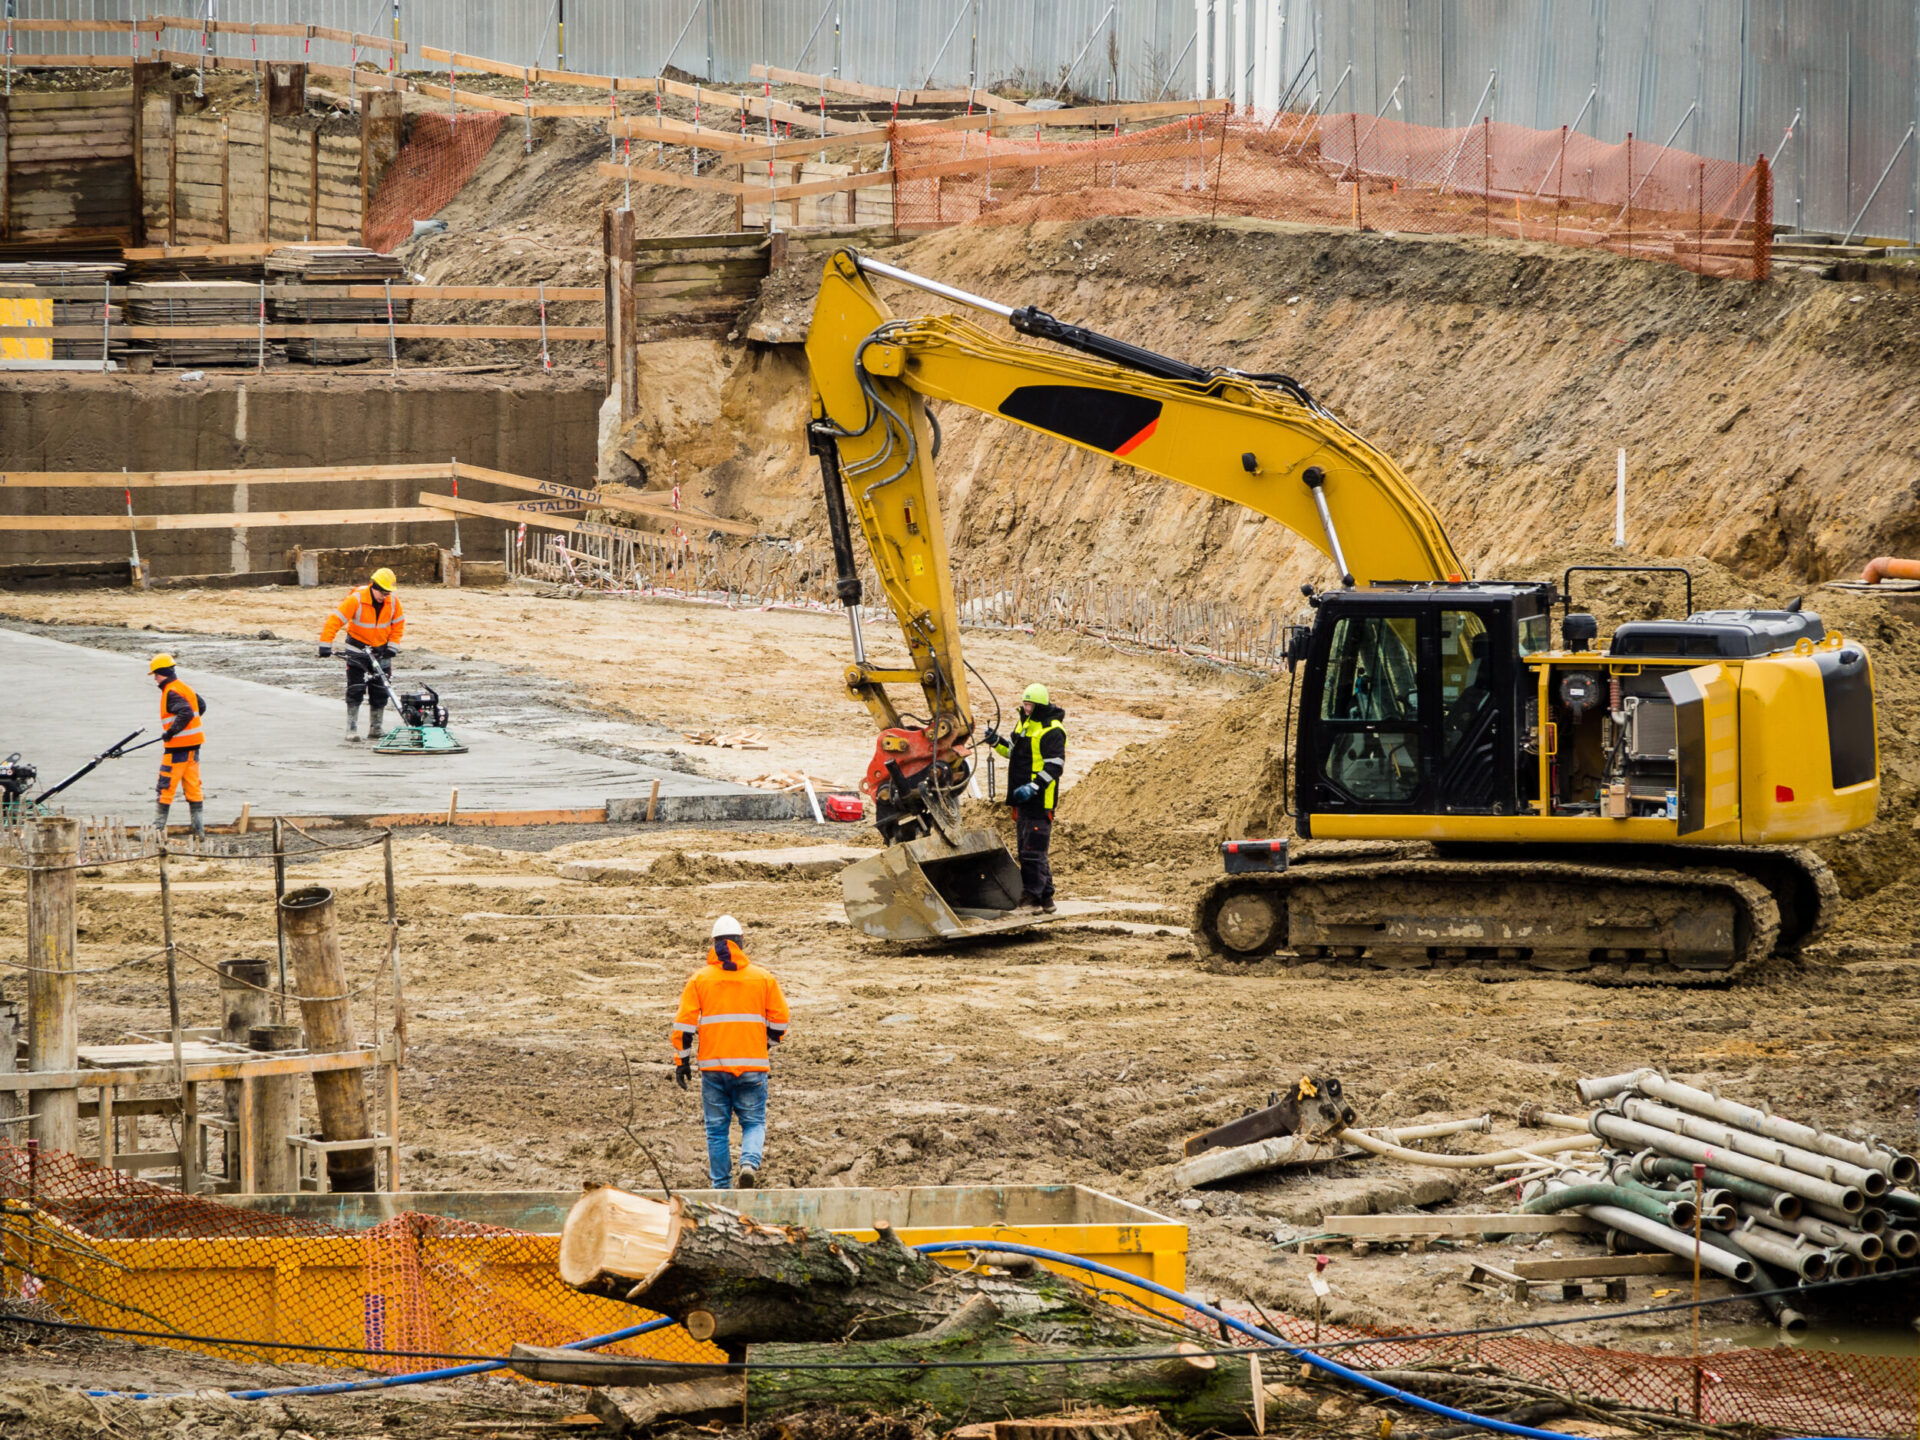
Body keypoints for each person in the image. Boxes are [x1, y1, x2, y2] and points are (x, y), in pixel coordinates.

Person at [670, 915, 790, 1190]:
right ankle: (748, 1163)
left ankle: (721, 1188)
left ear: (713, 944)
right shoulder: (763, 978)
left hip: (714, 1068)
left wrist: (682, 1061)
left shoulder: (700, 979)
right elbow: (781, 1020)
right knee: (754, 1123)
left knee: (716, 1132)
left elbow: (684, 1024)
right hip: (753, 1067)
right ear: (741, 943)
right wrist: (765, 1043)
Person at [985, 682, 1067, 913]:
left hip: (1040, 801)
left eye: (1029, 704)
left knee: (1032, 852)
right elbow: (1012, 751)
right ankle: (1047, 899)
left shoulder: (1052, 730)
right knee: (1029, 850)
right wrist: (996, 741)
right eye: (1024, 703)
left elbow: (1055, 765)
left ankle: (1032, 899)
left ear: (1040, 705)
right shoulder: (1024, 725)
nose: (1026, 707)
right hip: (1023, 799)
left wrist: (1034, 786)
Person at [318, 567, 405, 743]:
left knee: (381, 690)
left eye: (388, 593)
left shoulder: (393, 602)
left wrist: (392, 647)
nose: (385, 596)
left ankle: (376, 728)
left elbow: (398, 625)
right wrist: (325, 645)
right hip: (357, 651)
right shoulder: (356, 600)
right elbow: (335, 620)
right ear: (374, 586)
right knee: (355, 689)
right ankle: (351, 728)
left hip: (381, 652)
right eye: (382, 592)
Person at [148, 653, 208, 840]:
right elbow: (201, 706)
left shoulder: (171, 691)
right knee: (193, 787)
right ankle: (199, 832)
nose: (155, 678)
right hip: (193, 748)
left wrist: (172, 732)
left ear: (162, 673)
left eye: (156, 674)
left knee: (165, 787)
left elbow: (185, 712)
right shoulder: (184, 687)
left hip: (177, 750)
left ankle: (157, 831)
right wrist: (187, 728)